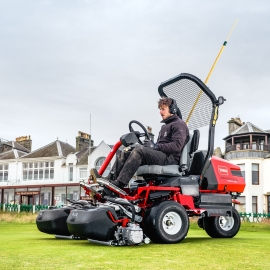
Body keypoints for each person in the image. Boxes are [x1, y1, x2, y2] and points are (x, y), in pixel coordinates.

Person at [90, 97, 189, 189]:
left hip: (170, 158)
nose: (160, 112)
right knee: (126, 151)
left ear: (172, 109)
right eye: (160, 109)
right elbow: (159, 147)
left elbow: (177, 146)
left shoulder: (179, 125)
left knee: (139, 151)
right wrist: (150, 146)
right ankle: (110, 180)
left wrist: (155, 146)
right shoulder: (165, 127)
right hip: (162, 155)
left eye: (163, 109)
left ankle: (120, 183)